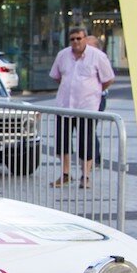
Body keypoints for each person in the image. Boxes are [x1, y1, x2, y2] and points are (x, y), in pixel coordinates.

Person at [48, 26, 115, 189]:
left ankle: (85, 176)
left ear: (85, 39)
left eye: (79, 38)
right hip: (64, 106)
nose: (76, 42)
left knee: (86, 142)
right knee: (62, 142)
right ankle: (65, 174)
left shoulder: (97, 56)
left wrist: (94, 91)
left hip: (87, 107)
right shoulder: (62, 55)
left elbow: (108, 79)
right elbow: (57, 76)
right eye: (72, 39)